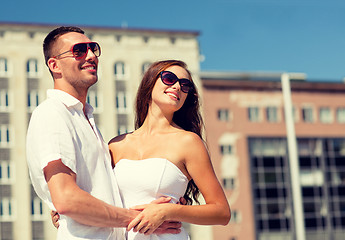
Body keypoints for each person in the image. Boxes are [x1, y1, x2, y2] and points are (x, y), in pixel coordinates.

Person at [26, 26, 181, 239]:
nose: (91, 56)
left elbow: (95, 193)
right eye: (79, 50)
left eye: (93, 48)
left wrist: (168, 202)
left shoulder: (85, 120)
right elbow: (67, 200)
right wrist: (139, 219)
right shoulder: (52, 113)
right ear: (54, 65)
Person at [108, 60, 231, 239]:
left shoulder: (188, 142)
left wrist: (168, 211)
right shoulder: (116, 145)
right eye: (169, 78)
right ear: (149, 84)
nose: (177, 86)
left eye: (185, 85)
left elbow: (222, 212)